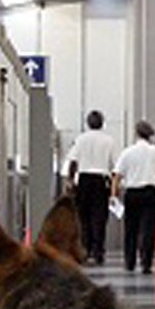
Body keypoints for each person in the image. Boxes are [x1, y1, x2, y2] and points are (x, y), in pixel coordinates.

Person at [112, 120, 155, 274]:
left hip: (132, 193)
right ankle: (146, 263)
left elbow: (117, 176)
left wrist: (114, 194)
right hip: (151, 193)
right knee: (149, 229)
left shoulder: (127, 152)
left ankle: (130, 262)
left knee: (131, 229)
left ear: (136, 134)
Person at [64, 109, 117, 264]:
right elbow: (114, 167)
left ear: (88, 123)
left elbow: (73, 161)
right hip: (101, 180)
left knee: (83, 216)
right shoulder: (109, 141)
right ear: (102, 123)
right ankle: (98, 251)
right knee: (99, 217)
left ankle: (85, 250)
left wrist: (70, 180)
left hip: (84, 180)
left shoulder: (80, 139)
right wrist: (115, 188)